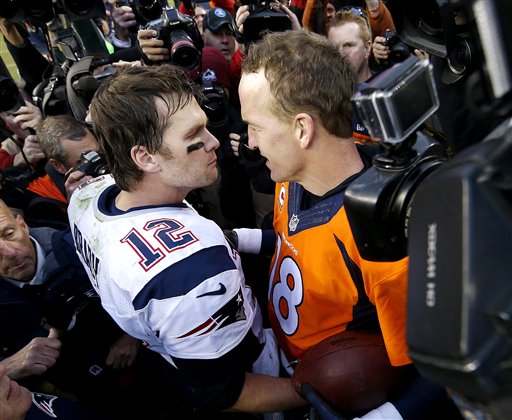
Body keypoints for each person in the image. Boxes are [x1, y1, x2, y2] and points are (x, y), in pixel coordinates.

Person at [234, 29, 460, 419]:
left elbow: (441, 365)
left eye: (255, 126)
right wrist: (241, 239)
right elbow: (297, 240)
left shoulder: (383, 235)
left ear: (302, 129)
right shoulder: (294, 171)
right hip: (290, 360)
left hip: (343, 386)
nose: (251, 143)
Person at [66, 64, 306, 416]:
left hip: (173, 352)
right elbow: (228, 393)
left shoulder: (89, 196)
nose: (214, 142)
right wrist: (316, 392)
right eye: (194, 133)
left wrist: (282, 241)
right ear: (145, 157)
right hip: (252, 372)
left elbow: (207, 239)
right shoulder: (196, 273)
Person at [0, 199, 177, 418]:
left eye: (9, 233)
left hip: (153, 360)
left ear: (22, 224)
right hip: (91, 393)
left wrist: (132, 335)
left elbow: (152, 288)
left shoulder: (83, 246)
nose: (10, 253)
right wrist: (8, 367)